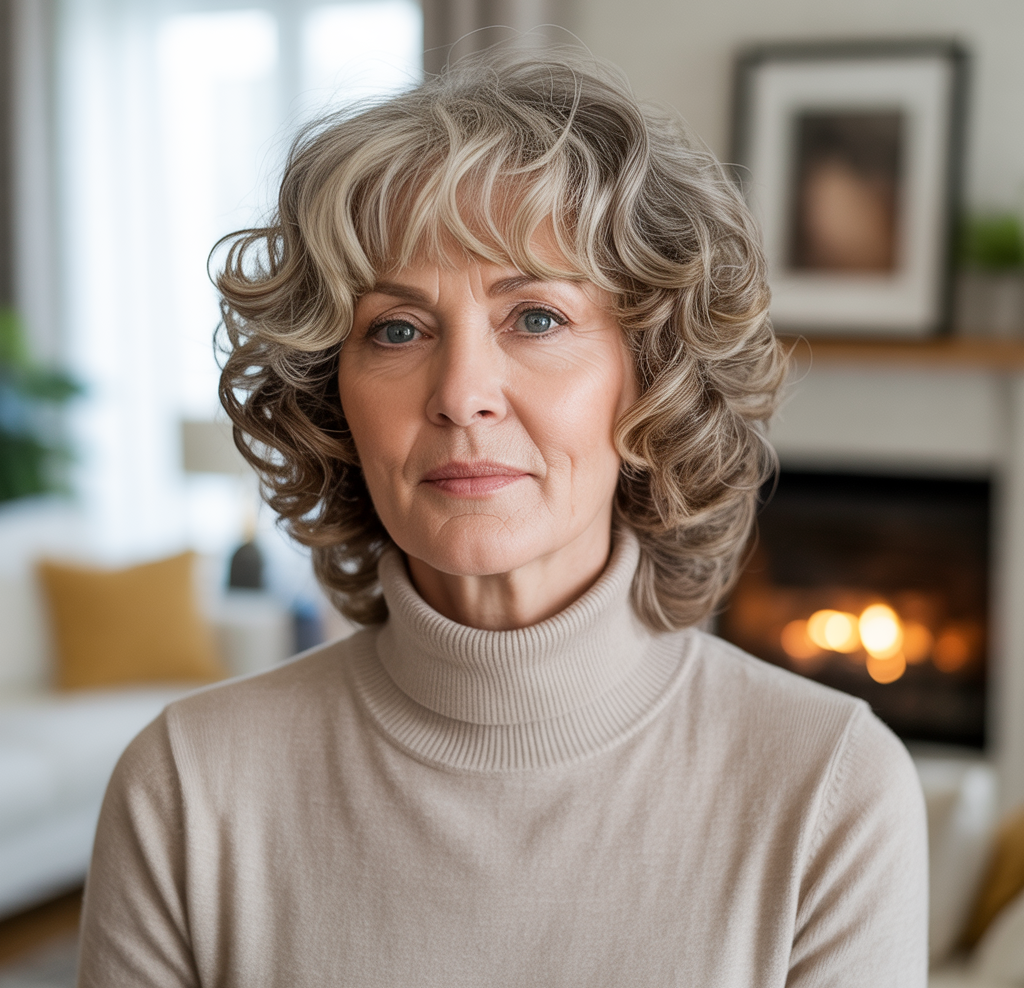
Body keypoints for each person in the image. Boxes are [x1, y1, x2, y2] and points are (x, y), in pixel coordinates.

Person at [76, 48, 927, 987]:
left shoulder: (829, 789)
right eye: (396, 329)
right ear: (334, 400)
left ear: (653, 376)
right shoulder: (188, 787)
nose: (462, 394)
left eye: (534, 318)